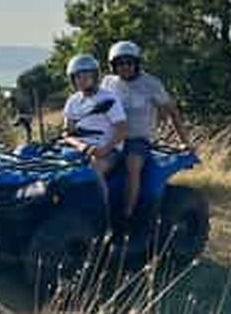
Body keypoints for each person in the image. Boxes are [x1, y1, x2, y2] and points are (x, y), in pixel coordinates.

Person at [101, 40, 192, 224]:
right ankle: (99, 210)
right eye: (120, 63)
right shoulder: (108, 83)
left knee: (133, 166)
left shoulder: (151, 84)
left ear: (137, 63)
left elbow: (172, 111)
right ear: (113, 66)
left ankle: (126, 215)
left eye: (129, 62)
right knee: (91, 166)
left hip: (138, 140)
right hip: (112, 137)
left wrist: (185, 142)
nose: (125, 67)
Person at [62, 54, 128, 200]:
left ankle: (103, 217)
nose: (82, 80)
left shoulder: (108, 98)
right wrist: (82, 146)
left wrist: (104, 150)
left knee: (93, 172)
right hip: (80, 149)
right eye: (77, 76)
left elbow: (123, 130)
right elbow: (67, 133)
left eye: (86, 75)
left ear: (95, 76)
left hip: (108, 149)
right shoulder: (73, 100)